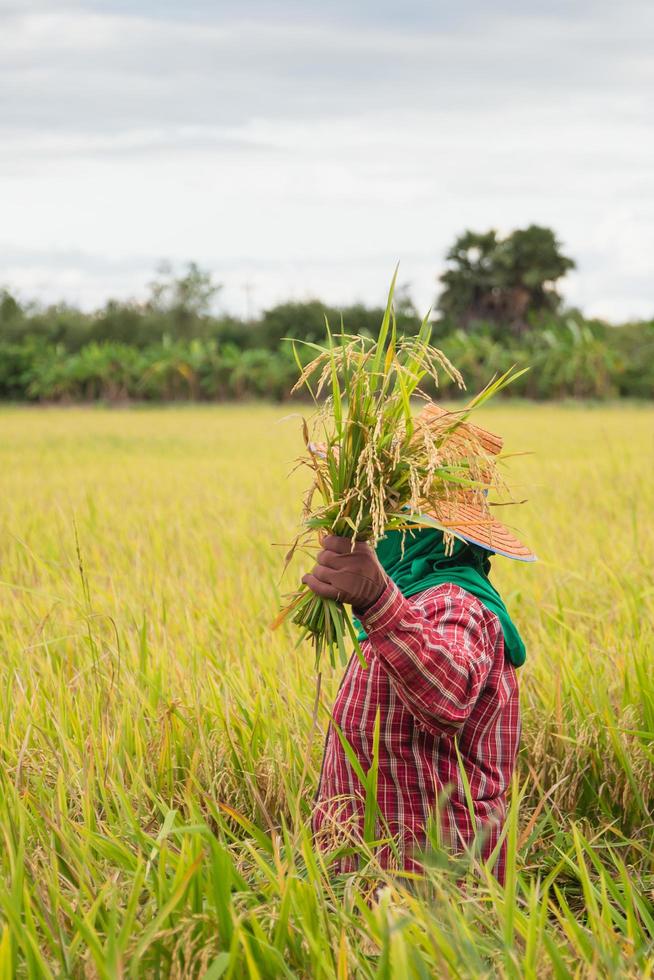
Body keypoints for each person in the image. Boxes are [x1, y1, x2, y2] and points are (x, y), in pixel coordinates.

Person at [302, 412, 535, 887]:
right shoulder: (407, 601)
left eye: (378, 517)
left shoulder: (455, 601)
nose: (364, 531)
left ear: (419, 528)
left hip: (434, 890)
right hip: (380, 877)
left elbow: (448, 695)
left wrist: (375, 597)